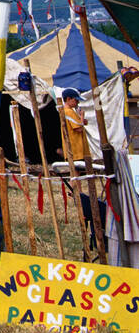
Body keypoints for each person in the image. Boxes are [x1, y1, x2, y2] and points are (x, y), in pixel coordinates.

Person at [59, 88, 99, 252]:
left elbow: (80, 125)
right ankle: (78, 196)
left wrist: (81, 120)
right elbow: (77, 128)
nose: (77, 103)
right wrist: (82, 119)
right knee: (75, 173)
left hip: (78, 148)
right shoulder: (68, 110)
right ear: (68, 99)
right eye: (75, 100)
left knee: (76, 173)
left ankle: (79, 195)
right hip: (74, 149)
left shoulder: (71, 111)